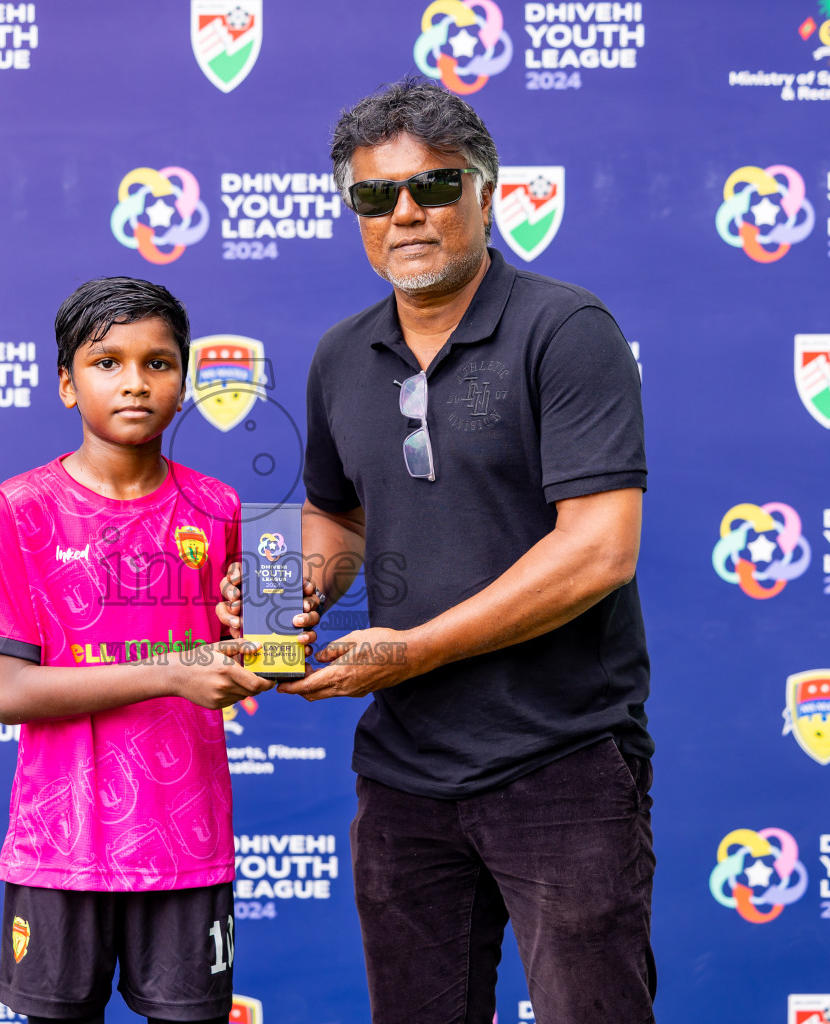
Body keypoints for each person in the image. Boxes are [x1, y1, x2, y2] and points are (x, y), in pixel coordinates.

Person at [218, 79, 655, 1024]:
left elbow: (597, 553)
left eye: (434, 187)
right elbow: (338, 519)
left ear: (486, 192)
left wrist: (415, 649)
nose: (405, 214)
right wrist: (277, 599)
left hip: (563, 759)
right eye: (376, 196)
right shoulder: (341, 354)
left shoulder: (566, 330)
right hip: (405, 770)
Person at [0, 277, 315, 1024]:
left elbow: (267, 659)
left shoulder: (223, 506)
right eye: (107, 362)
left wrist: (278, 627)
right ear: (66, 383)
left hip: (187, 846)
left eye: (158, 364)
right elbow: (11, 695)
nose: (134, 382)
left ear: (184, 384)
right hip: (60, 850)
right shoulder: (23, 506)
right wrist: (173, 671)